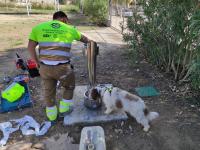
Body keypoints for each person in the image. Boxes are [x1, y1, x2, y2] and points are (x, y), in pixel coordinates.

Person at [28, 11, 89, 122]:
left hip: (44, 68)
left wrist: (36, 62)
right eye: (67, 20)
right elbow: (85, 39)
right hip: (63, 68)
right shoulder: (70, 29)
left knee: (49, 90)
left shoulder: (38, 28)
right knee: (69, 87)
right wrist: (91, 42)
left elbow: (30, 46)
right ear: (64, 19)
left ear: (54, 18)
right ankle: (64, 110)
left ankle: (52, 116)